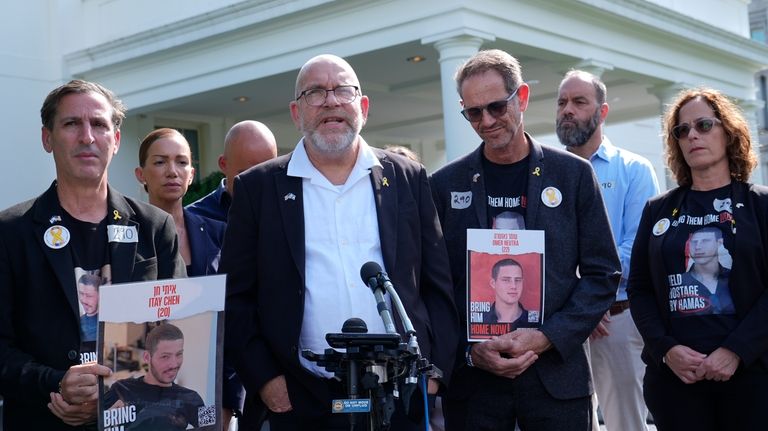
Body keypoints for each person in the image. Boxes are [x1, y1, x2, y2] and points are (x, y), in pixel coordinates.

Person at [220, 54, 459, 430]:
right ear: (296, 113)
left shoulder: (407, 178)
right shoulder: (258, 187)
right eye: (315, 92)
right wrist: (266, 380)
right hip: (298, 397)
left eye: (343, 91)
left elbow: (438, 285)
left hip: (397, 393)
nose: (331, 101)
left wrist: (433, 373)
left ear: (363, 107)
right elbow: (235, 296)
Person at [430, 49, 620, 430]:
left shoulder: (574, 175)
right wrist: (468, 352)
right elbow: (436, 288)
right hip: (475, 387)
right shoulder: (443, 185)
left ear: (522, 97)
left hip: (557, 379)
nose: (486, 121)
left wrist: (547, 337)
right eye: (473, 112)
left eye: (497, 107)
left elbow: (603, 275)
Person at [0, 80, 186, 430]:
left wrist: (115, 398)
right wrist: (54, 384)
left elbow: (178, 330)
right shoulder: (11, 232)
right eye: (72, 124)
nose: (87, 136)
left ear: (115, 141)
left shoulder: (154, 227)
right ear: (47, 138)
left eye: (99, 124)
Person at [627, 87, 768, 430]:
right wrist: (665, 349)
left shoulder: (760, 206)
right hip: (677, 382)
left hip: (751, 377)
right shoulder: (657, 210)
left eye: (704, 125)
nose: (692, 135)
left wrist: (736, 350)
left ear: (728, 132)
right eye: (682, 130)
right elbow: (640, 288)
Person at [556, 70, 659, 431]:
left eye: (579, 102)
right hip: (561, 324)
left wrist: (592, 300)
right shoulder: (547, 172)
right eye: (562, 102)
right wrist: (580, 308)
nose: (567, 110)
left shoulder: (634, 169)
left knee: (625, 424)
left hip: (615, 320)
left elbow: (638, 247)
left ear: (602, 112)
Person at [185, 121, 277, 429]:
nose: (259, 181)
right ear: (224, 165)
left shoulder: (291, 210)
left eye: (269, 168)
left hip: (283, 365)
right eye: (248, 173)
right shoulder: (197, 221)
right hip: (224, 368)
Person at [135, 128, 225, 276]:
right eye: (160, 162)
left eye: (182, 162)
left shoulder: (217, 233)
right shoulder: (127, 235)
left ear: (191, 175)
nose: (172, 172)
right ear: (141, 174)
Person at [104, 323, 205, 430]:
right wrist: (105, 420)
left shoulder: (193, 398)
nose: (174, 364)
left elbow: (213, 427)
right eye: (165, 356)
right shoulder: (120, 389)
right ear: (147, 357)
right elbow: (90, 424)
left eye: (179, 354)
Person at [185, 120, 278, 222]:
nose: (260, 183)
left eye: (268, 173)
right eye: (248, 175)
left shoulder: (287, 210)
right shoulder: (194, 219)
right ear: (224, 164)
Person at [482, 259, 531, 326]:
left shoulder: (534, 319)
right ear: (493, 283)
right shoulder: (481, 318)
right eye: (506, 280)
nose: (513, 286)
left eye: (518, 280)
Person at [77, 273, 102, 343]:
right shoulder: (78, 322)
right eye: (81, 293)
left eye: (89, 296)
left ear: (100, 296)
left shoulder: (108, 324)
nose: (84, 300)